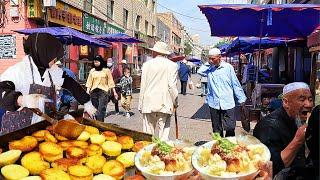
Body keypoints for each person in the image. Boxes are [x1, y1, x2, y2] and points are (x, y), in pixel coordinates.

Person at [0, 33, 96, 134]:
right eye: (53, 56)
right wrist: (20, 99)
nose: (56, 60)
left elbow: (70, 84)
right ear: (43, 53)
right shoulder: (18, 71)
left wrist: (86, 101)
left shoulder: (51, 70)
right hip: (17, 131)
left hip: (42, 127)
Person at [253, 82, 314, 177]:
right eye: (302, 100)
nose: (309, 104)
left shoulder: (298, 119)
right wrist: (298, 140)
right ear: (286, 102)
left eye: (310, 100)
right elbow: (270, 167)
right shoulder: (269, 126)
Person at [198, 48, 246, 137]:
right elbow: (199, 71)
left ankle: (229, 146)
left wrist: (241, 98)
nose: (211, 60)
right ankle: (219, 146)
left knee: (230, 127)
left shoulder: (228, 67)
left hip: (228, 102)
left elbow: (235, 83)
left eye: (213, 59)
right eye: (210, 58)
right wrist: (209, 63)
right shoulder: (209, 69)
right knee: (216, 128)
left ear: (220, 57)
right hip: (214, 102)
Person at [139, 41, 178, 140]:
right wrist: (175, 102)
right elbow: (172, 86)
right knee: (163, 136)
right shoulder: (172, 65)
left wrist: (140, 104)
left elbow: (143, 85)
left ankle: (147, 153)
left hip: (148, 102)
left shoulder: (147, 65)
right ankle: (161, 153)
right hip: (164, 103)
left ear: (155, 52)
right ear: (165, 53)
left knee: (147, 136)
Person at [86, 55, 117, 121]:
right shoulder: (92, 71)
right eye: (95, 62)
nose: (96, 63)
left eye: (97, 61)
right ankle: (99, 124)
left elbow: (110, 81)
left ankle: (100, 126)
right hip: (93, 93)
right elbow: (89, 82)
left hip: (103, 92)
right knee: (96, 110)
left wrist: (114, 92)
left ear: (101, 61)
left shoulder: (106, 70)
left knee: (101, 109)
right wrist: (87, 91)